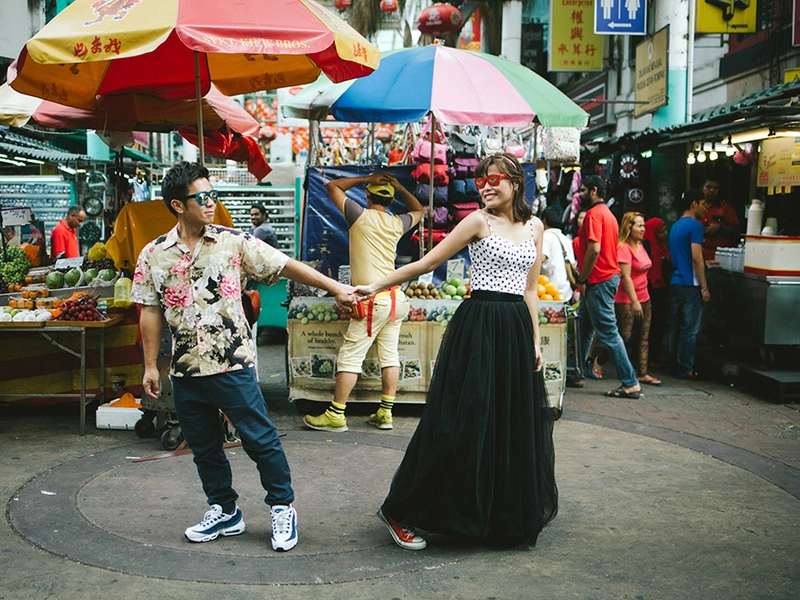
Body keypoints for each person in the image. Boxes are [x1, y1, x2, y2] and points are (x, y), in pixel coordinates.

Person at [131, 162, 354, 553]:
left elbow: (284, 265)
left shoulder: (234, 242)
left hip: (231, 363)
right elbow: (149, 310)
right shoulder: (154, 255)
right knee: (203, 446)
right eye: (202, 198)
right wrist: (152, 365)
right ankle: (224, 509)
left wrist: (335, 286)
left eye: (212, 194)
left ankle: (282, 506)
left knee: (260, 439)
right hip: (185, 368)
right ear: (177, 206)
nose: (211, 203)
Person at [354, 153, 557, 550]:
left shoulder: (536, 226)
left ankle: (497, 516)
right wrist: (377, 285)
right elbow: (427, 263)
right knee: (459, 420)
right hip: (479, 325)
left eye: (494, 179)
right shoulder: (478, 221)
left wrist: (534, 340)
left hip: (516, 328)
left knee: (509, 423)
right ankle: (403, 511)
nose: (485, 185)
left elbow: (530, 289)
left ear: (516, 182)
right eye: (480, 180)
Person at [304, 172, 424, 432]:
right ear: (390, 200)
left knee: (349, 357)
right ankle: (385, 413)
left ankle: (336, 414)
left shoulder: (358, 215)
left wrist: (367, 177)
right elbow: (419, 210)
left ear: (367, 195)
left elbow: (332, 186)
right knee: (390, 356)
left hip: (373, 301)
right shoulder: (397, 222)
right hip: (395, 300)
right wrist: (400, 186)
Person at [575, 176, 641, 398]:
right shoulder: (609, 214)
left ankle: (630, 382)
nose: (579, 194)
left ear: (594, 190)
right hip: (602, 278)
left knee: (609, 332)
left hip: (599, 279)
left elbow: (594, 249)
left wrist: (582, 278)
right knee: (583, 327)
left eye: (583, 190)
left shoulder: (595, 214)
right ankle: (575, 372)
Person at [590, 213, 661, 386]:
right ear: (629, 228)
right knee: (624, 335)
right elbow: (626, 277)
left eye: (644, 225)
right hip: (625, 298)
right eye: (639, 226)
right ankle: (599, 361)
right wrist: (635, 301)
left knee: (644, 335)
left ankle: (643, 373)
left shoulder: (641, 246)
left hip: (645, 295)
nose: (643, 229)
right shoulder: (623, 248)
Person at [668, 189, 710, 380]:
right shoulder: (696, 226)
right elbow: (696, 257)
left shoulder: (675, 226)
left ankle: (673, 364)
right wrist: (704, 287)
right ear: (694, 204)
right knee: (690, 329)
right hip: (690, 284)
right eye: (702, 203)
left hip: (676, 281)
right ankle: (685, 368)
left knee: (675, 326)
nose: (704, 207)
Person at [643, 217, 671, 368]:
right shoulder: (647, 245)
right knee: (651, 324)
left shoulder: (662, 246)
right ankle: (648, 358)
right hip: (650, 288)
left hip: (661, 288)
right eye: (662, 230)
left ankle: (654, 355)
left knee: (659, 323)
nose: (665, 233)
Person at [540, 205, 575, 303]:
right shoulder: (566, 239)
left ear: (544, 221)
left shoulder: (546, 237)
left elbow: (539, 259)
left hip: (548, 292)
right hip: (566, 292)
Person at [700, 178, 739, 261]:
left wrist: (720, 228)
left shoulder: (726, 208)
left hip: (719, 256)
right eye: (708, 187)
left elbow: (736, 231)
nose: (712, 190)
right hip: (698, 253)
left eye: (715, 188)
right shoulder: (696, 207)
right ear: (702, 188)